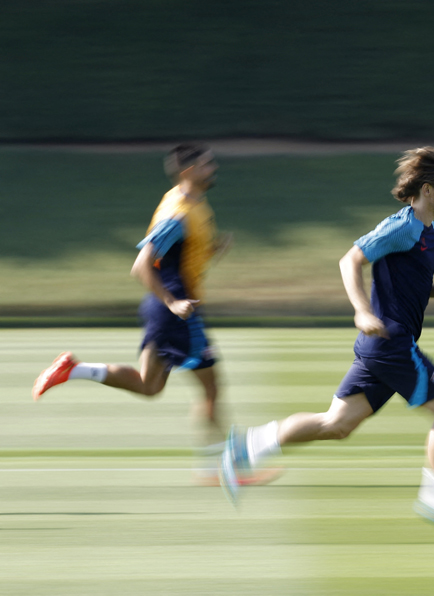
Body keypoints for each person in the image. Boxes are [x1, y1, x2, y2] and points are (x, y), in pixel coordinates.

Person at [218, 147, 434, 529]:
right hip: (392, 343)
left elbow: (402, 282)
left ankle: (246, 447)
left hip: (381, 346)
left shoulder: (428, 233)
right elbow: (350, 260)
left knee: (336, 424)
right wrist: (361, 310)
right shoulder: (401, 226)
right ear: (427, 189)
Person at [30, 144, 262, 482]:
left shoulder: (194, 204)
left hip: (165, 309)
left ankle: (73, 369)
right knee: (211, 386)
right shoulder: (178, 212)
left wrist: (212, 249)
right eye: (205, 164)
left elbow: (181, 258)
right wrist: (173, 303)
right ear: (187, 171)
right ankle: (218, 468)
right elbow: (141, 265)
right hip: (177, 311)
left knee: (149, 385)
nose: (213, 168)